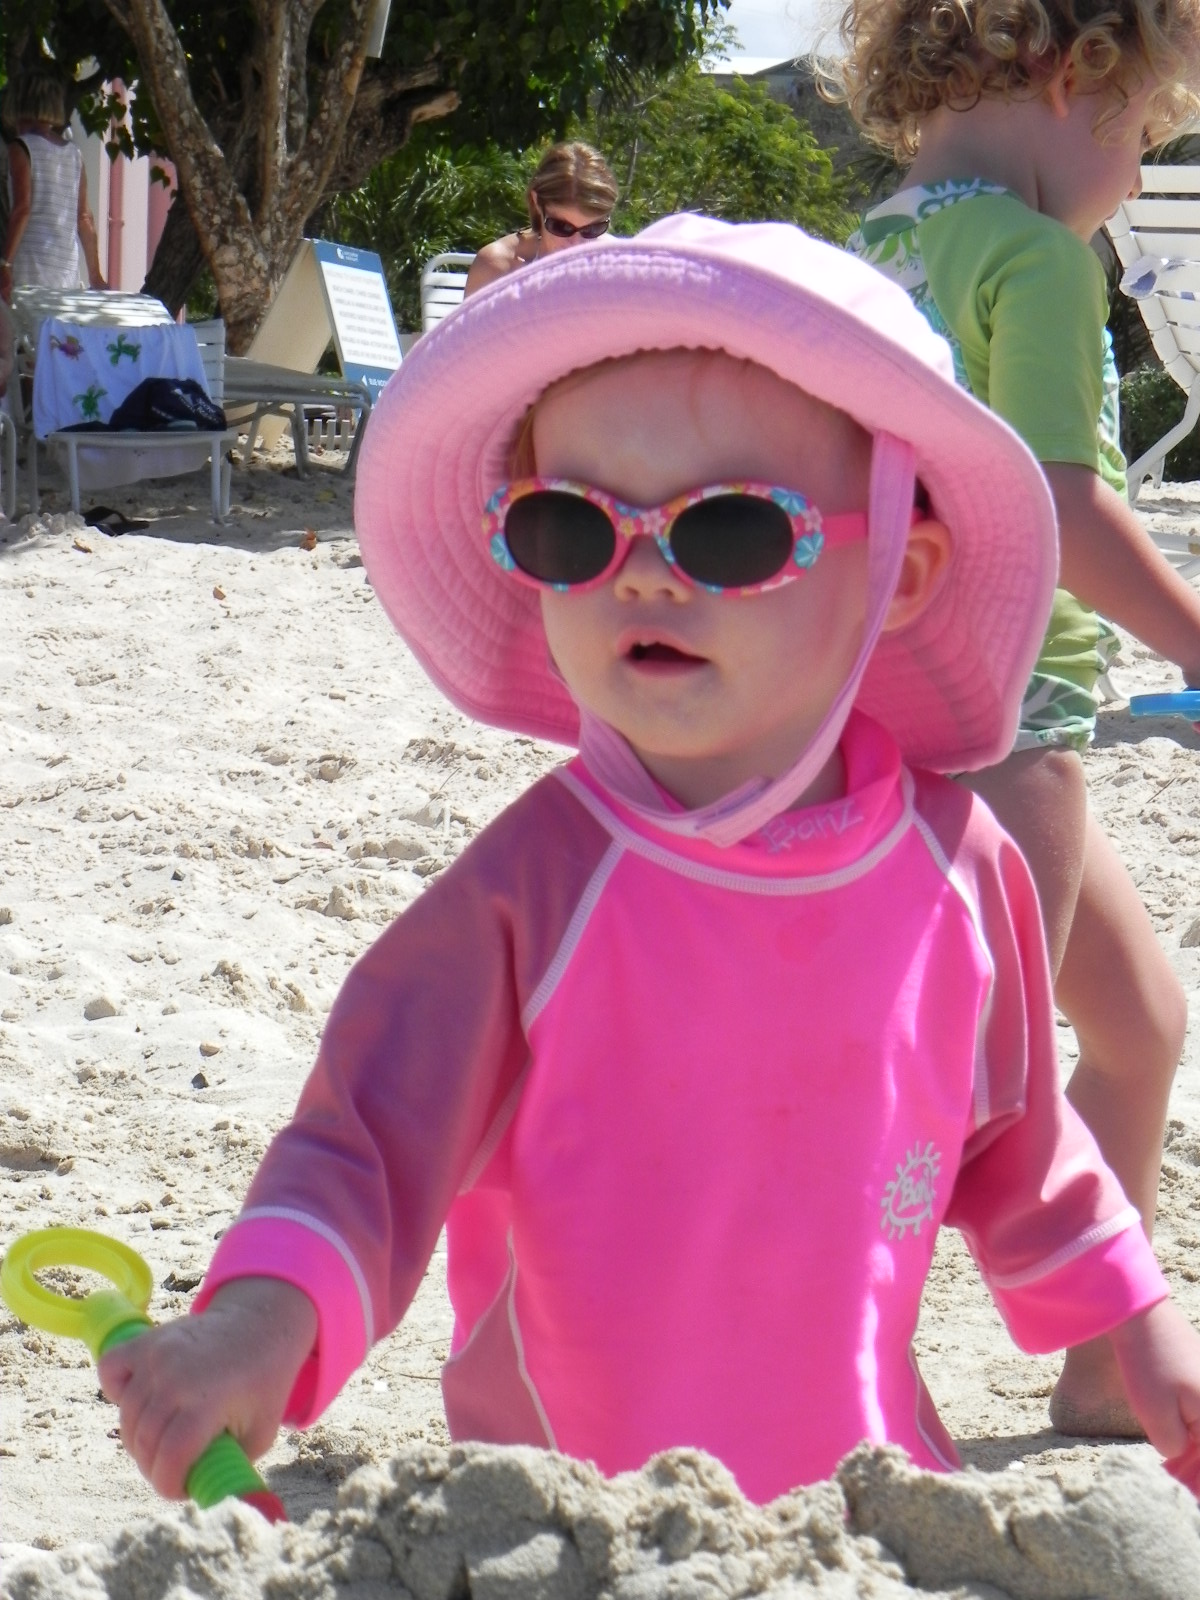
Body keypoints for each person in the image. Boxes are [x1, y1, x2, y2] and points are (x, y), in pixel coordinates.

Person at [98, 216, 1200, 1507]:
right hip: (571, 1516)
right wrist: (254, 1327)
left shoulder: (961, 870)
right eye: (572, 529)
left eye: (729, 532)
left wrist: (1142, 1329)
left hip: (857, 1504)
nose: (642, 577)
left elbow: (1021, 1142)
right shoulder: (536, 889)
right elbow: (370, 1141)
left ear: (901, 572)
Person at [835, 0, 1200, 1437]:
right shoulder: (1038, 260)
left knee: (1138, 1019)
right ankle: (847, 1370)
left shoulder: (866, 247)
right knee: (947, 1080)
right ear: (1077, 79)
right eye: (1150, 131)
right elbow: (1063, 506)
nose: (1137, 173)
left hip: (873, 706)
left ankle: (1105, 1362)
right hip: (1010, 718)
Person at [0, 68, 107, 304]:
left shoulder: (21, 147)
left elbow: (22, 209)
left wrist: (5, 264)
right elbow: (84, 218)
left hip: (30, 266)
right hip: (66, 273)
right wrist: (96, 276)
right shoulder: (74, 154)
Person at [462, 140, 618, 296]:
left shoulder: (616, 264)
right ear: (536, 201)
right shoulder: (497, 266)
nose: (576, 244)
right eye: (562, 227)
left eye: (592, 229)